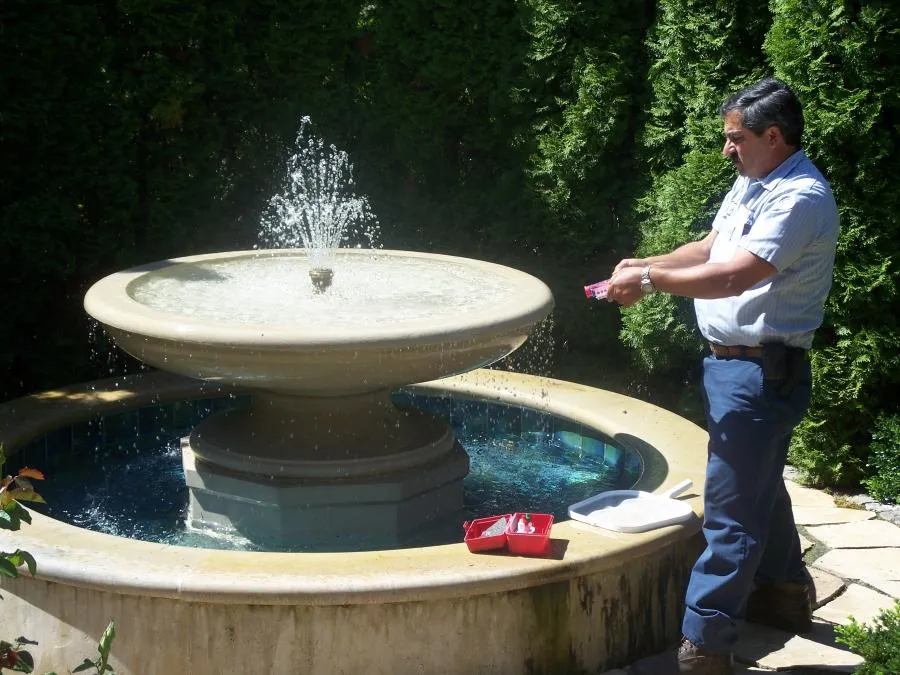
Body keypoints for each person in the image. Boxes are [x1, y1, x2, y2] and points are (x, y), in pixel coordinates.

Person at [607, 77, 840, 675]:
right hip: (733, 368)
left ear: (773, 135)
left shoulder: (800, 199)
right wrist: (644, 263)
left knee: (730, 513)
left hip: (761, 371)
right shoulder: (753, 183)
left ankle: (705, 648)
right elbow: (710, 248)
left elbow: (736, 275)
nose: (727, 150)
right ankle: (785, 594)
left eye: (736, 138)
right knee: (755, 483)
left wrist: (649, 284)